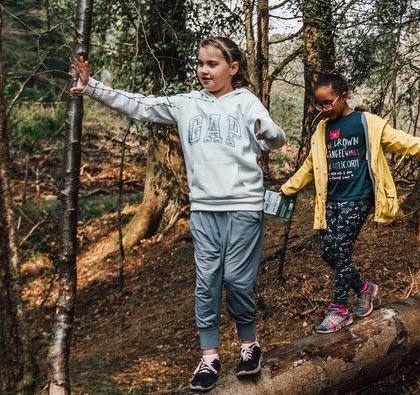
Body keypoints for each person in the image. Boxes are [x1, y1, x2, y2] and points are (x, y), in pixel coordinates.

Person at [70, 37, 286, 390]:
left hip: (243, 207)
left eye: (212, 64)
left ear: (232, 68)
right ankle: (209, 357)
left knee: (236, 280)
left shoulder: (246, 102)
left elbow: (275, 138)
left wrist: (269, 132)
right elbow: (140, 105)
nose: (204, 70)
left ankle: (249, 345)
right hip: (203, 210)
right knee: (206, 283)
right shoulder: (186, 103)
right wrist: (91, 87)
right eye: (200, 63)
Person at [279, 72, 420, 335]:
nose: (323, 109)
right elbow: (310, 166)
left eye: (327, 102)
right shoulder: (322, 129)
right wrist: (288, 188)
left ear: (343, 96)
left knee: (342, 249)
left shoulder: (366, 122)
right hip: (331, 200)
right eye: (319, 104)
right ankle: (364, 288)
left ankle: (338, 310)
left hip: (357, 198)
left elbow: (401, 140)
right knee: (327, 251)